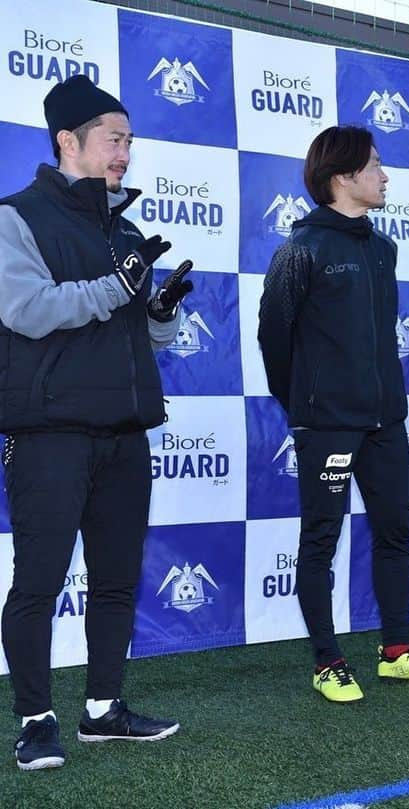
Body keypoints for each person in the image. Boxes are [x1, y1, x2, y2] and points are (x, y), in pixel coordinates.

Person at [0, 75, 191, 771]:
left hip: (124, 432)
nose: (125, 153)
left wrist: (161, 312)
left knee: (116, 580)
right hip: (50, 433)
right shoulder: (15, 216)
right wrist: (119, 286)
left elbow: (148, 336)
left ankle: (104, 709)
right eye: (115, 139)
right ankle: (35, 719)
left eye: (130, 141)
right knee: (38, 583)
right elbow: (27, 309)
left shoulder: (128, 228)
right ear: (67, 141)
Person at [258, 125, 409, 703]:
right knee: (321, 538)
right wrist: (302, 404)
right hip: (327, 424)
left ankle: (397, 651)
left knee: (396, 532)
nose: (384, 174)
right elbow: (274, 333)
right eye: (374, 165)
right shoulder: (301, 249)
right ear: (341, 176)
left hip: (385, 421)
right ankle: (328, 661)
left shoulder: (382, 247)